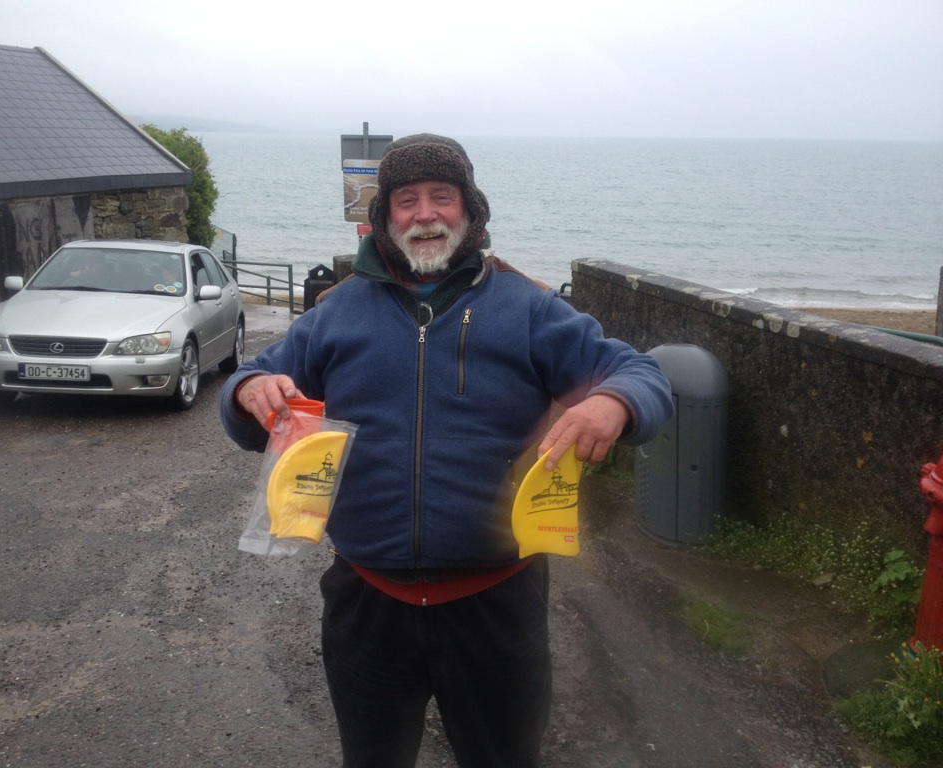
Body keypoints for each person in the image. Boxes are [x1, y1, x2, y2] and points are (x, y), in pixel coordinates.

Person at [219, 134, 673, 768]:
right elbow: (246, 389)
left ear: (470, 210)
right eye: (406, 200)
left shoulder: (529, 308)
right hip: (367, 602)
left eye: (442, 196)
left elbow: (640, 372)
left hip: (497, 605)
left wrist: (613, 402)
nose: (425, 214)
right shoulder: (336, 313)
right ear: (385, 217)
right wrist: (249, 392)